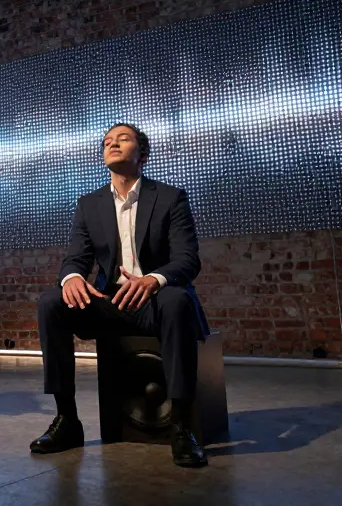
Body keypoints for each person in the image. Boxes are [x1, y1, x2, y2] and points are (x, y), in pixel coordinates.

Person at [30, 123, 210, 468]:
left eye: (122, 139)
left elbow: (188, 260)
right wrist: (70, 278)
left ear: (142, 153)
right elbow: (76, 258)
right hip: (110, 302)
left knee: (176, 300)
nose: (112, 143)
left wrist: (154, 280)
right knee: (51, 301)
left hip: (155, 300)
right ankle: (67, 419)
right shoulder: (89, 204)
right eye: (107, 142)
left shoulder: (171, 198)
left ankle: (182, 428)